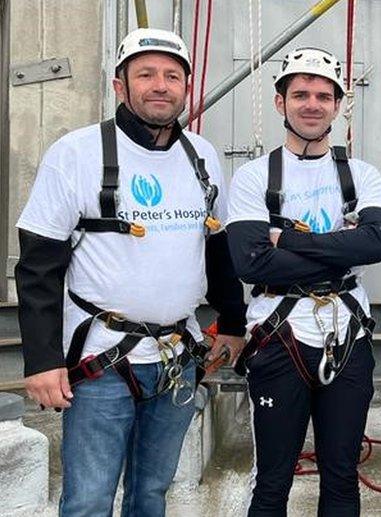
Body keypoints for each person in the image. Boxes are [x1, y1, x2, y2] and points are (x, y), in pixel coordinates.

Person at [14, 27, 246, 516]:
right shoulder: (75, 154)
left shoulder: (201, 157)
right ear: (120, 85)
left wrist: (233, 322)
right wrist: (40, 360)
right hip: (101, 362)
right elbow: (38, 266)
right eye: (146, 75)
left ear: (186, 86)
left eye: (172, 75)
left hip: (176, 358)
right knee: (89, 500)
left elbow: (217, 246)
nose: (160, 85)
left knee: (151, 493)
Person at [225, 46, 381, 517]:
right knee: (273, 480)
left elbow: (376, 244)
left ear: (338, 105)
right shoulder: (254, 177)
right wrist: (340, 250)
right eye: (300, 94)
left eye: (323, 95)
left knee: (341, 475)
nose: (312, 104)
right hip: (280, 337)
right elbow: (252, 264)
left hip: (348, 336)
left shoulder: (361, 175)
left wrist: (288, 240)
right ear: (280, 102)